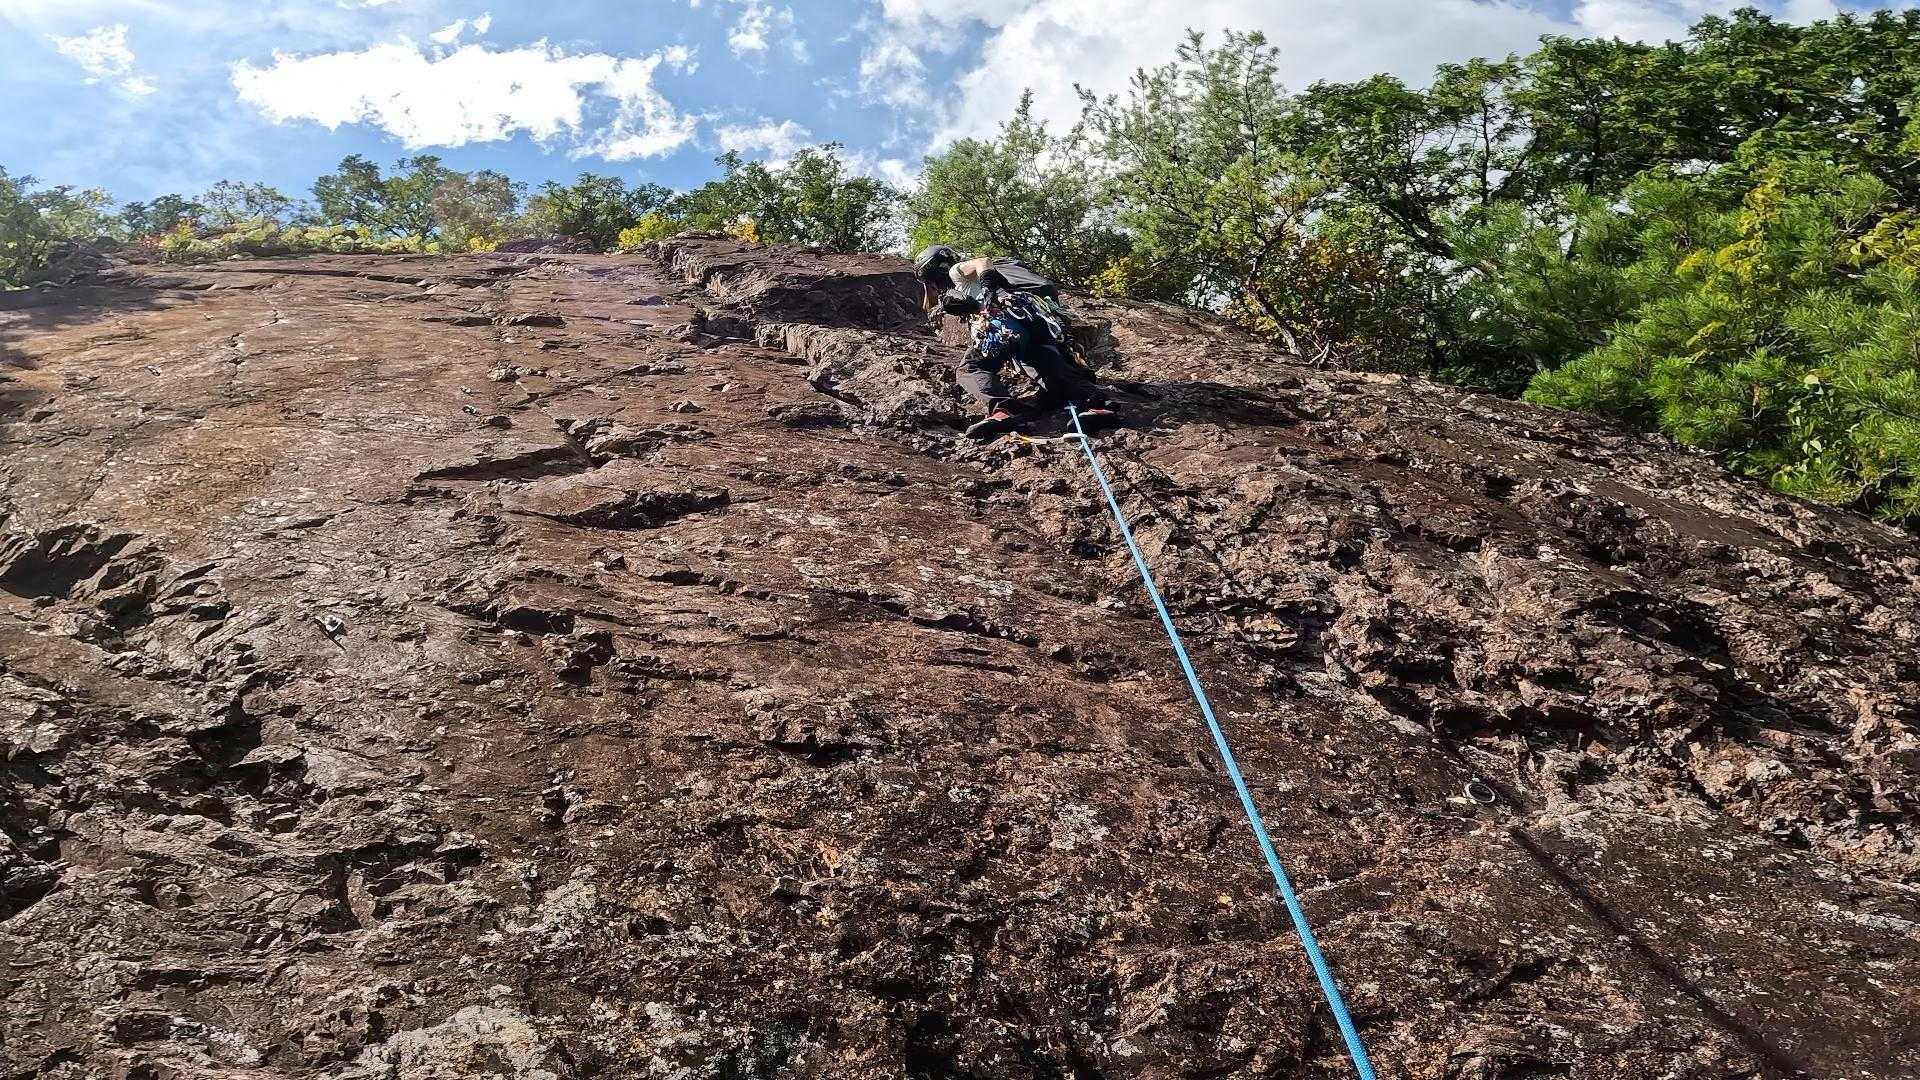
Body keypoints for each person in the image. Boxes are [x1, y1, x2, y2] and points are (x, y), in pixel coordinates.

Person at [913, 245, 1117, 440]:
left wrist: (988, 291)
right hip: (1034, 323)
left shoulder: (955, 272)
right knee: (1047, 367)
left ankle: (1004, 411)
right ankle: (1097, 405)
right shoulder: (984, 283)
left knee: (971, 368)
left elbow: (982, 261)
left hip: (1007, 323)